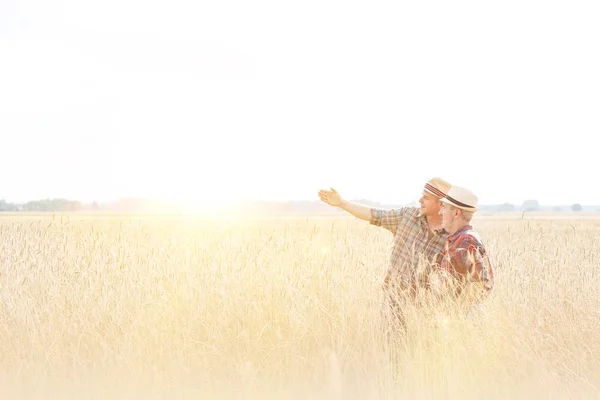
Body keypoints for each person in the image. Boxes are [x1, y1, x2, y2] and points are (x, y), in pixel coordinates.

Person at [318, 178, 452, 328]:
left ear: (441, 203)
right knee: (389, 346)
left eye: (426, 198)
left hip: (424, 310)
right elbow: (375, 214)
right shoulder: (408, 216)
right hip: (393, 301)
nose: (420, 200)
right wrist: (342, 203)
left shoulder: (451, 236)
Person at [432, 185, 494, 308]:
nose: (440, 212)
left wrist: (457, 315)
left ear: (456, 213)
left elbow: (479, 284)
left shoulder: (466, 240)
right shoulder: (457, 238)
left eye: (443, 207)